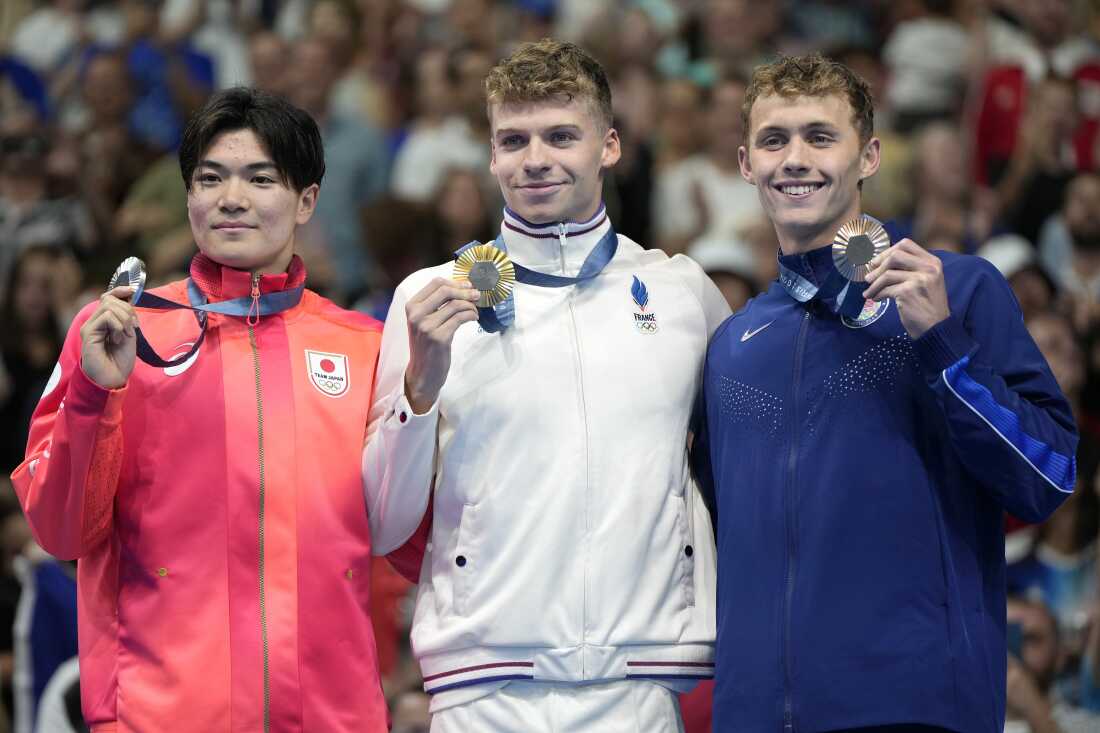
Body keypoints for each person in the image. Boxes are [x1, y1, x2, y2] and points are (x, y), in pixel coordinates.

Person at [10, 87, 420, 732]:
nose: (232, 198)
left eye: (261, 179)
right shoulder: (118, 332)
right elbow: (60, 531)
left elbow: (410, 543)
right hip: (159, 717)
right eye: (211, 179)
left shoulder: (367, 347)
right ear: (189, 198)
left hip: (334, 718)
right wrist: (93, 396)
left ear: (306, 200)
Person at [696, 54, 1078, 732]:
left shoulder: (957, 289)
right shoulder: (733, 345)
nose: (795, 158)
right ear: (746, 162)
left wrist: (941, 343)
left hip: (915, 707)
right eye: (774, 139)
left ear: (869, 155)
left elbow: (1048, 474)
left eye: (821, 136)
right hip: (754, 715)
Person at [364, 39, 730, 732]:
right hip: (480, 688)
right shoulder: (429, 299)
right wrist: (420, 386)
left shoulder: (685, 296)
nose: (535, 159)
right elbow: (385, 522)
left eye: (562, 136)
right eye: (514, 139)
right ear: (492, 153)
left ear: (610, 145)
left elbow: (738, 476)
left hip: (639, 681)